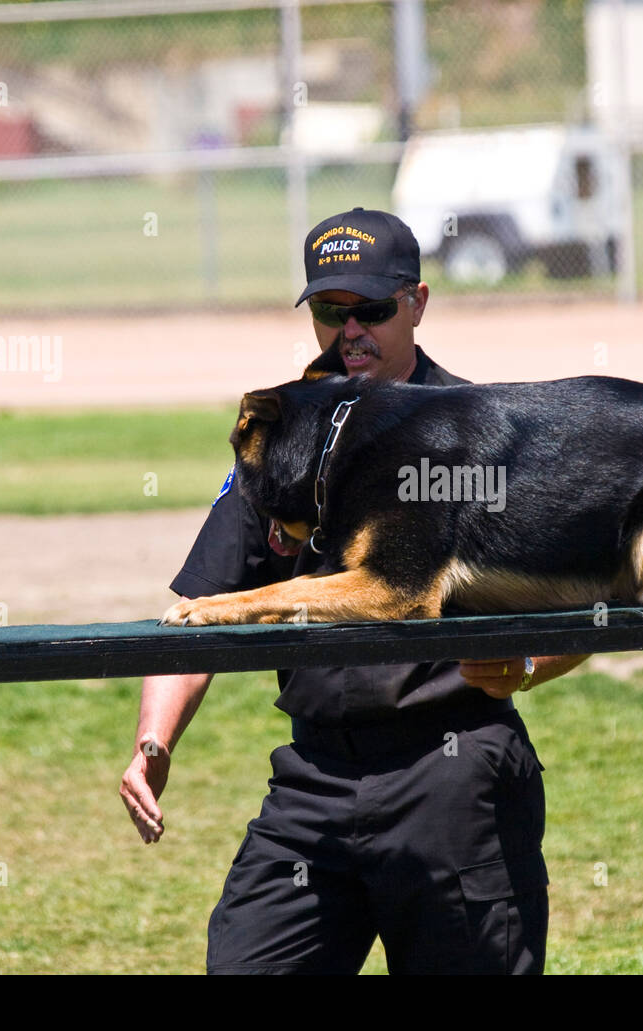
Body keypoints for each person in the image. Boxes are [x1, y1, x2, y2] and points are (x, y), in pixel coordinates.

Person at [120, 207, 588, 974]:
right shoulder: (279, 443)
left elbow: (581, 603)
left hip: (451, 773)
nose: (351, 332)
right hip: (315, 783)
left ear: (418, 303)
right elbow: (200, 607)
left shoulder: (479, 437)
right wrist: (154, 741)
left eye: (371, 309)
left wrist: (534, 665)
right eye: (332, 312)